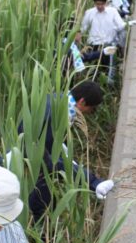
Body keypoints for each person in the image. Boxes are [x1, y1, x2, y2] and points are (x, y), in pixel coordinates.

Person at [21, 81, 114, 220]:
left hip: (35, 155)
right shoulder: (54, 113)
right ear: (82, 101)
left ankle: (43, 228)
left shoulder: (59, 100)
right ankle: (42, 232)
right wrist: (93, 182)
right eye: (92, 109)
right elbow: (48, 160)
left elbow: (53, 145)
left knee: (44, 197)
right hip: (31, 159)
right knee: (42, 201)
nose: (90, 113)